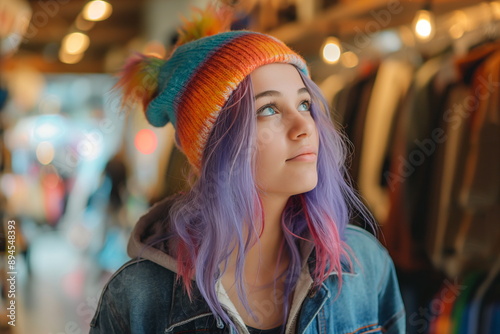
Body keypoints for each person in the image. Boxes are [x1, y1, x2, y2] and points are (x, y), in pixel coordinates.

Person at [89, 5, 405, 334]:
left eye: (304, 104)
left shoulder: (364, 264)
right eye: (268, 109)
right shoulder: (139, 298)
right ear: (216, 145)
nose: (303, 127)